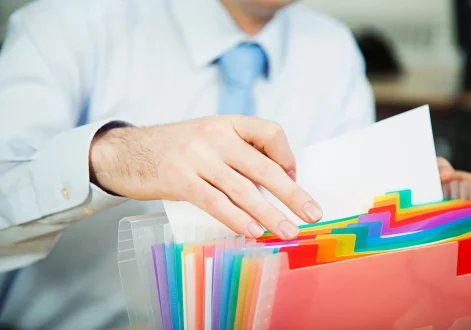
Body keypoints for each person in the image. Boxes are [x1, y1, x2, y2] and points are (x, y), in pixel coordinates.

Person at [0, 0, 374, 328]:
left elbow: (339, 234)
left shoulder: (336, 50)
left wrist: (414, 217)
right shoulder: (61, 23)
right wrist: (120, 154)